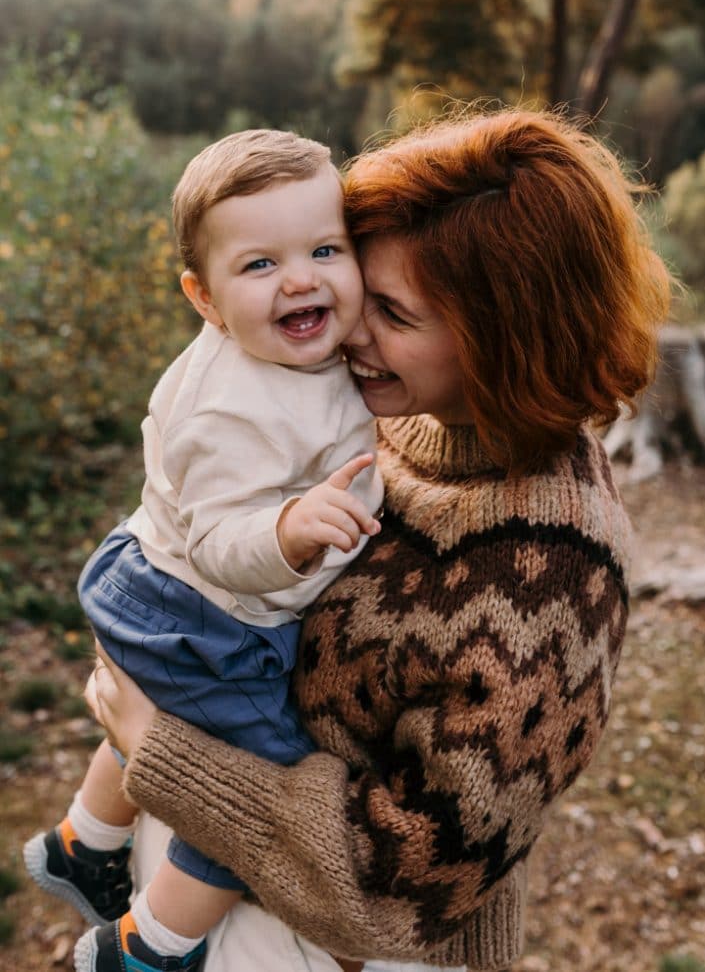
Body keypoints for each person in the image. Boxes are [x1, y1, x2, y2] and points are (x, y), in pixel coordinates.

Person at [86, 107, 672, 972]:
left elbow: (401, 882)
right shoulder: (392, 413)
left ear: (504, 339)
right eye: (356, 276)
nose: (347, 327)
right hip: (214, 891)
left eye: (391, 313)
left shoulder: (549, 578)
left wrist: (159, 749)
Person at [24, 128, 384, 972]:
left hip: (153, 578)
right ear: (204, 297)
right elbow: (223, 543)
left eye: (325, 250)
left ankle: (86, 842)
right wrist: (289, 533)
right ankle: (150, 948)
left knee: (172, 712)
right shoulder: (236, 411)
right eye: (259, 265)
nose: (299, 278)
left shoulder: (285, 355)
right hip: (201, 606)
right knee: (254, 787)